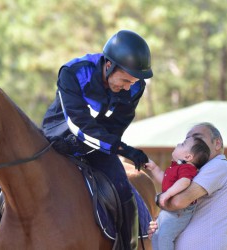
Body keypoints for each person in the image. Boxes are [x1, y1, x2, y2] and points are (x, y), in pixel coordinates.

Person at [42, 30, 153, 250]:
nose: (128, 87)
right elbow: (77, 124)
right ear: (109, 65)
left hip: (99, 149)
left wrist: (115, 147)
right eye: (125, 80)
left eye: (133, 82)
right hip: (57, 142)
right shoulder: (73, 72)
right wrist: (122, 149)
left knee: (124, 191)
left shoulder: (135, 87)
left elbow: (116, 126)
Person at [147, 122, 227, 250]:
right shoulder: (196, 173)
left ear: (217, 143)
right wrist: (162, 227)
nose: (193, 143)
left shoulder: (219, 166)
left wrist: (159, 200)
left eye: (198, 138)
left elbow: (178, 201)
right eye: (187, 141)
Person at [145, 136, 210, 250]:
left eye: (183, 144)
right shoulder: (176, 167)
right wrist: (154, 167)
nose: (179, 143)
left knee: (165, 236)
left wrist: (167, 194)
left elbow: (185, 181)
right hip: (170, 211)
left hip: (180, 212)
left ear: (188, 156)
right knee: (156, 235)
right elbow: (165, 180)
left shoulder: (187, 167)